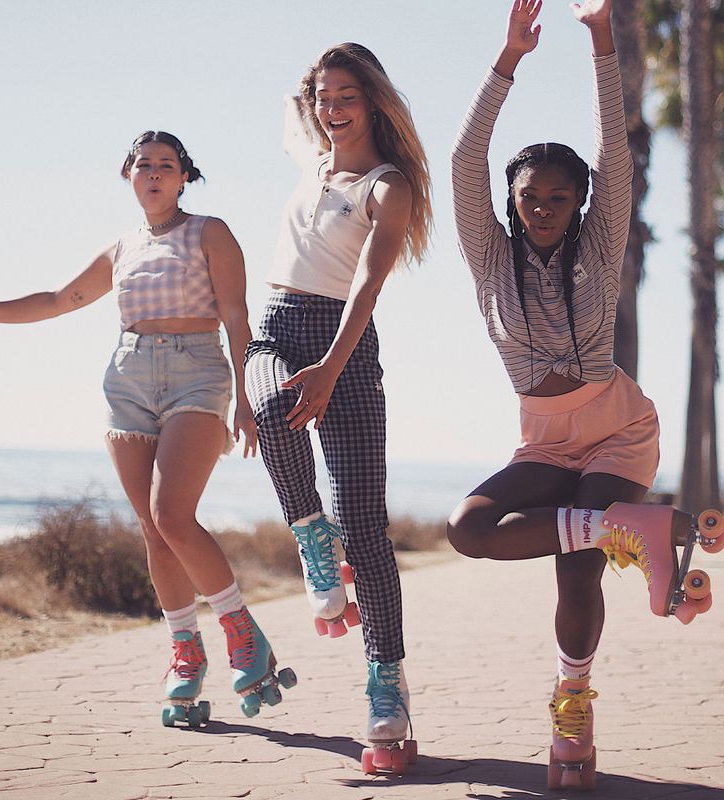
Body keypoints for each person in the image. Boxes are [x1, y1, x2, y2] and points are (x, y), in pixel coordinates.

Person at [0, 130, 294, 725]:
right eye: (143, 164)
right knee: (152, 529)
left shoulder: (210, 232)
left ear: (184, 177)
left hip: (197, 373)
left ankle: (241, 632)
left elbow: (235, 316)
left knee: (173, 513)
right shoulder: (120, 248)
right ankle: (185, 654)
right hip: (126, 379)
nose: (154, 173)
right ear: (128, 175)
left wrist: (248, 399)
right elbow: (58, 298)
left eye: (166, 166)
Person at [448, 0, 721, 790]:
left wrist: (602, 38)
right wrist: (507, 60)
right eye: (531, 197)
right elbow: (468, 160)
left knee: (577, 571)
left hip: (616, 429)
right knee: (469, 528)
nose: (541, 209)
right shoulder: (490, 257)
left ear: (580, 203)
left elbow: (615, 149)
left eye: (559, 198)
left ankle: (573, 714)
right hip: (544, 439)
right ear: (513, 200)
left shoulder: (602, 243)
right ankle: (632, 528)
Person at [244, 43, 432, 769]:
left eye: (347, 94)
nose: (332, 108)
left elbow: (368, 288)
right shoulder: (312, 158)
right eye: (325, 96)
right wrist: (313, 76)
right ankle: (311, 541)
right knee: (266, 411)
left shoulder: (387, 188)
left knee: (369, 529)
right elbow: (292, 106)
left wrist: (330, 366)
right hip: (276, 325)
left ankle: (387, 680)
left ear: (374, 100)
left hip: (343, 343)